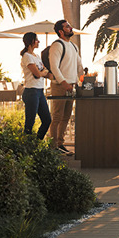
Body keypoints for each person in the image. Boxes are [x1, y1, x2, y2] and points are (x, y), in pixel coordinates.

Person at [44, 19, 84, 154]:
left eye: (70, 26)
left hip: (71, 86)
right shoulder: (57, 45)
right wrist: (64, 83)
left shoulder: (73, 46)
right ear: (61, 31)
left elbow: (79, 65)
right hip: (60, 86)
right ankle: (53, 146)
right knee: (56, 117)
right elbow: (54, 67)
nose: (71, 28)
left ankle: (60, 144)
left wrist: (83, 78)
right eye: (67, 27)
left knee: (66, 117)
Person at [20, 31, 52, 139]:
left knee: (47, 120)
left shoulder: (37, 56)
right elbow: (37, 73)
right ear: (31, 41)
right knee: (30, 121)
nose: (39, 41)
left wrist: (53, 76)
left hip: (39, 91)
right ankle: (26, 146)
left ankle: (37, 143)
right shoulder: (27, 56)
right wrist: (42, 73)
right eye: (37, 39)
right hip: (31, 92)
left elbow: (44, 71)